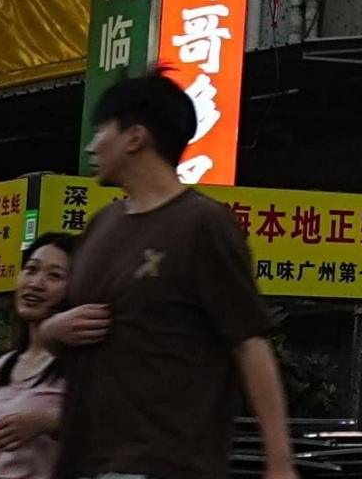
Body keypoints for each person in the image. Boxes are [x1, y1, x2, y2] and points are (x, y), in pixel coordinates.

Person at [40, 76, 297, 479]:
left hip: (166, 461)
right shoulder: (100, 225)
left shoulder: (203, 224)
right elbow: (79, 334)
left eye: (100, 132)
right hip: (84, 462)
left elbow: (249, 342)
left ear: (135, 138)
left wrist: (279, 463)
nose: (91, 147)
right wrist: (54, 331)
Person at [0, 238, 75, 479]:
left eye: (54, 276)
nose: (36, 284)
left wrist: (47, 422)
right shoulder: (2, 367)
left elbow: (113, 430)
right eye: (31, 270)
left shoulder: (81, 363)